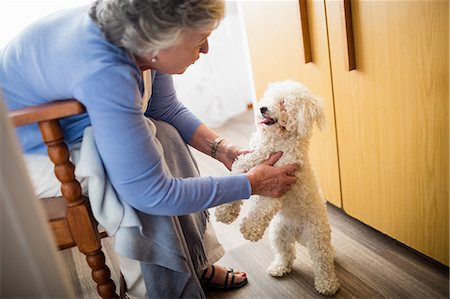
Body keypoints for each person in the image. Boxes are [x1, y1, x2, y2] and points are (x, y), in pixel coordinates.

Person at [0, 0, 298, 297]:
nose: (206, 49)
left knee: (164, 134)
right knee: (124, 181)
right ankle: (158, 290)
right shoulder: (105, 69)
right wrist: (251, 183)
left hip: (78, 126)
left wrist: (222, 150)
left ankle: (195, 261)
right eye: (200, 38)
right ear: (160, 41)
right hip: (27, 151)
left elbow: (164, 109)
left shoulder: (143, 39)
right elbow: (150, 193)